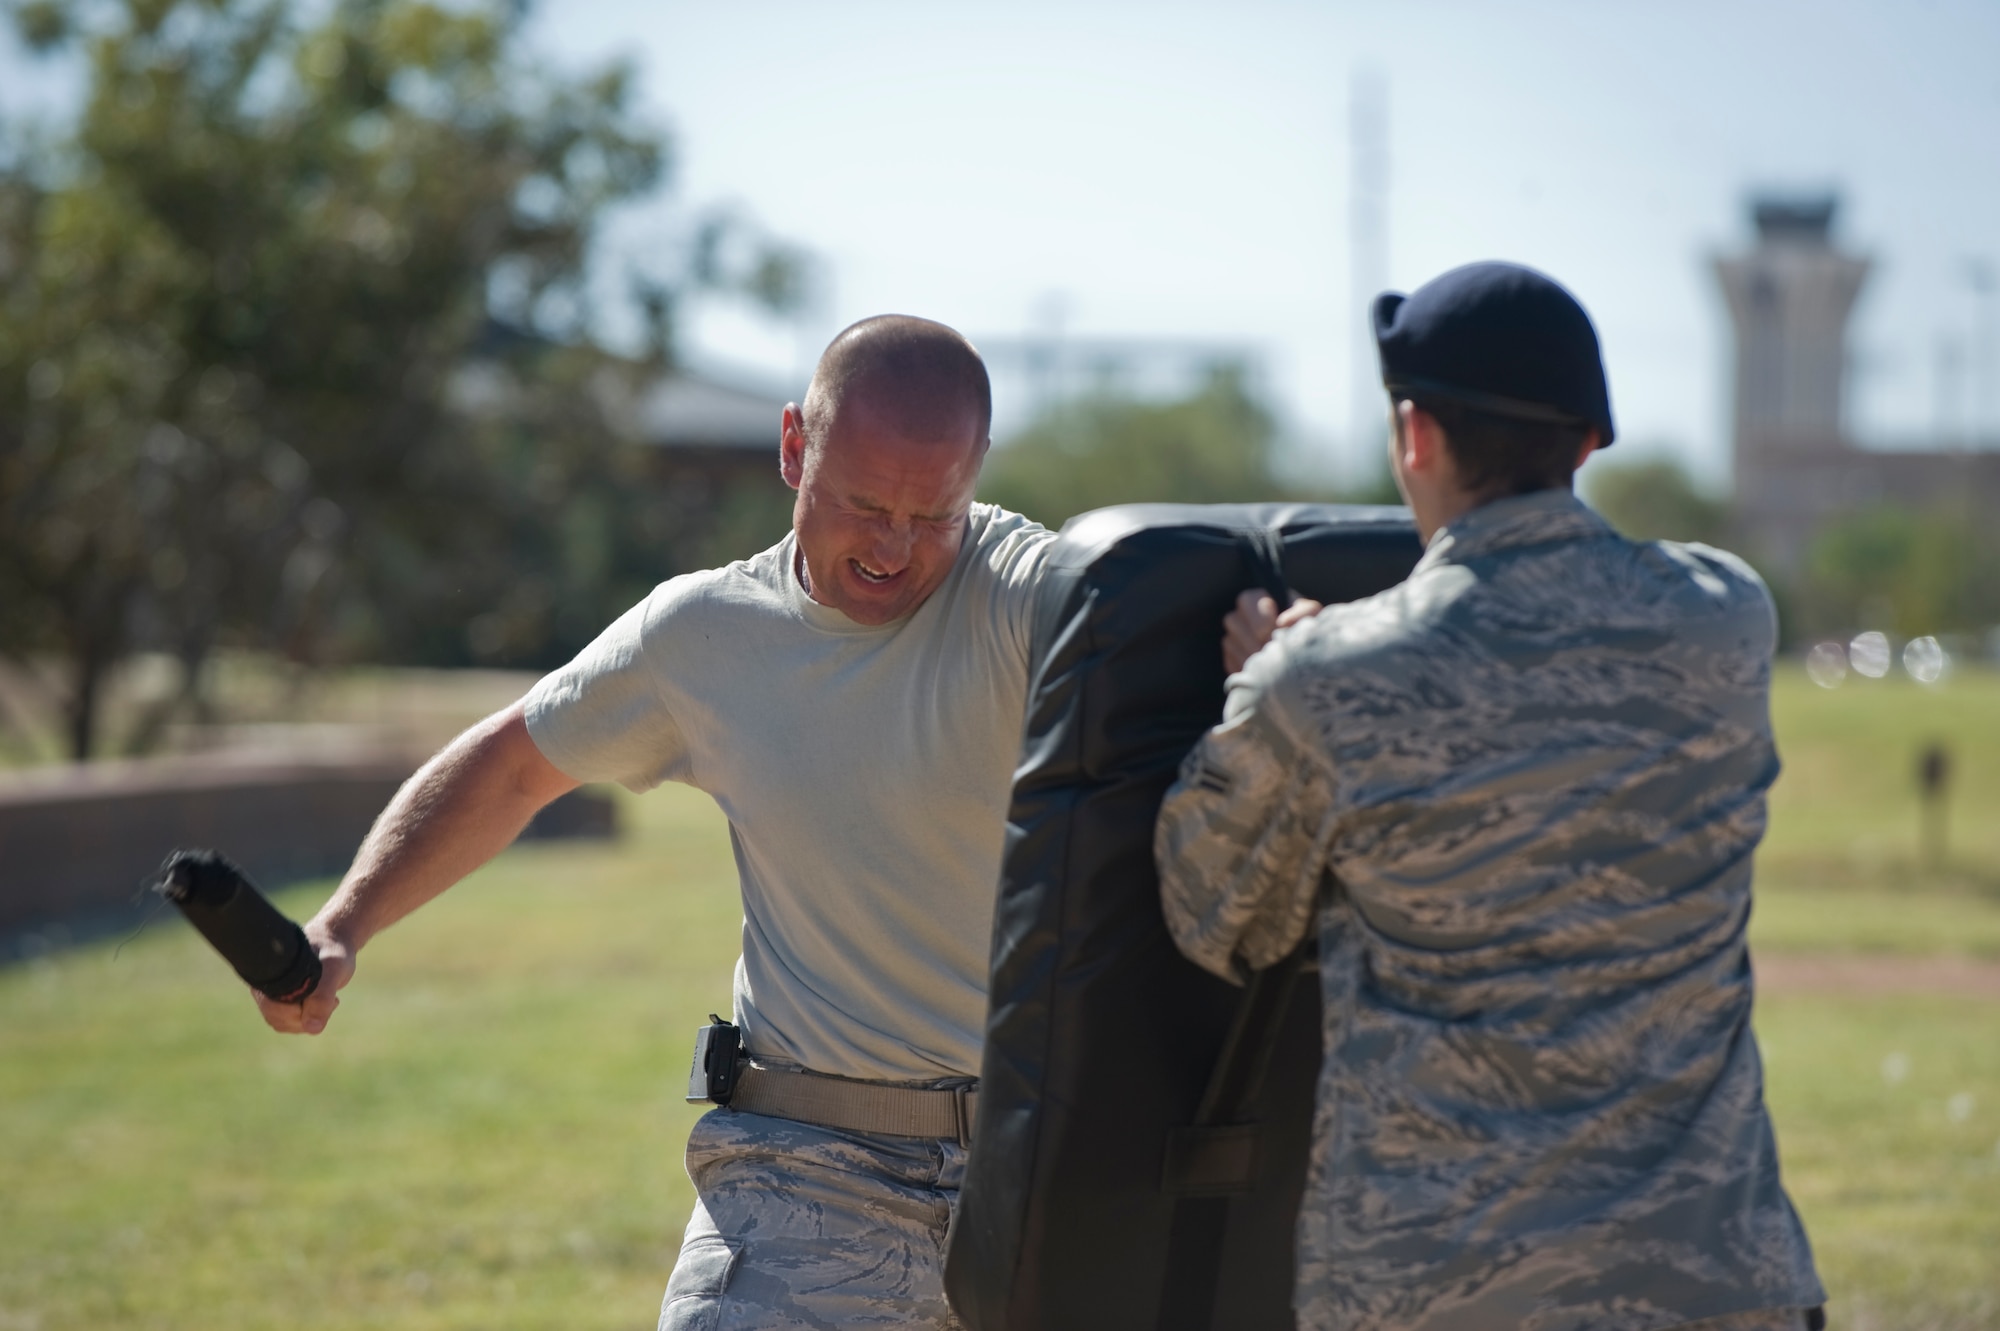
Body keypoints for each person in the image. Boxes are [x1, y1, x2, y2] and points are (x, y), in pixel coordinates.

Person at [256, 315, 1056, 1330]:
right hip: (816, 1170)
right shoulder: (704, 639)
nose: (894, 546)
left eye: (932, 511)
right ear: (793, 448)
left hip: (1042, 1178)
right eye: (863, 504)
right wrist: (341, 925)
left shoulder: (1021, 589)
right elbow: (508, 767)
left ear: (974, 474)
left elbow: (1155, 608)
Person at [1154, 263, 1825, 1331]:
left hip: (1449, 1287)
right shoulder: (1724, 617)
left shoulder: (1324, 683)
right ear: (1587, 443)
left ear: (1413, 435)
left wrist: (1263, 690)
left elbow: (1215, 919)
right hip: (1712, 1279)